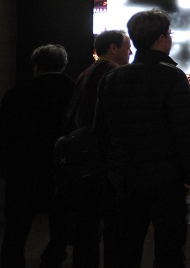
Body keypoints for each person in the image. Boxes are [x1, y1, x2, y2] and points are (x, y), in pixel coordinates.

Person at [94, 9, 190, 268]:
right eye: (169, 34)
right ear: (161, 39)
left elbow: (101, 131)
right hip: (167, 179)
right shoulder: (173, 77)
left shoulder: (112, 78)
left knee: (126, 248)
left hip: (126, 177)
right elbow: (183, 130)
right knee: (169, 249)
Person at [0, 44, 75, 268]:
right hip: (61, 169)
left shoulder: (17, 94)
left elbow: (5, 134)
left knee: (17, 226)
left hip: (23, 169)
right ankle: (51, 260)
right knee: (60, 223)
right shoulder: (74, 92)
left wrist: (2, 164)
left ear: (36, 66)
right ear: (63, 65)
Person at [63, 30, 131, 268]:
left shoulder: (86, 73)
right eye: (127, 47)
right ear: (113, 48)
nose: (130, 52)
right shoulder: (112, 73)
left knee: (87, 225)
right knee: (111, 224)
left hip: (86, 158)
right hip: (103, 160)